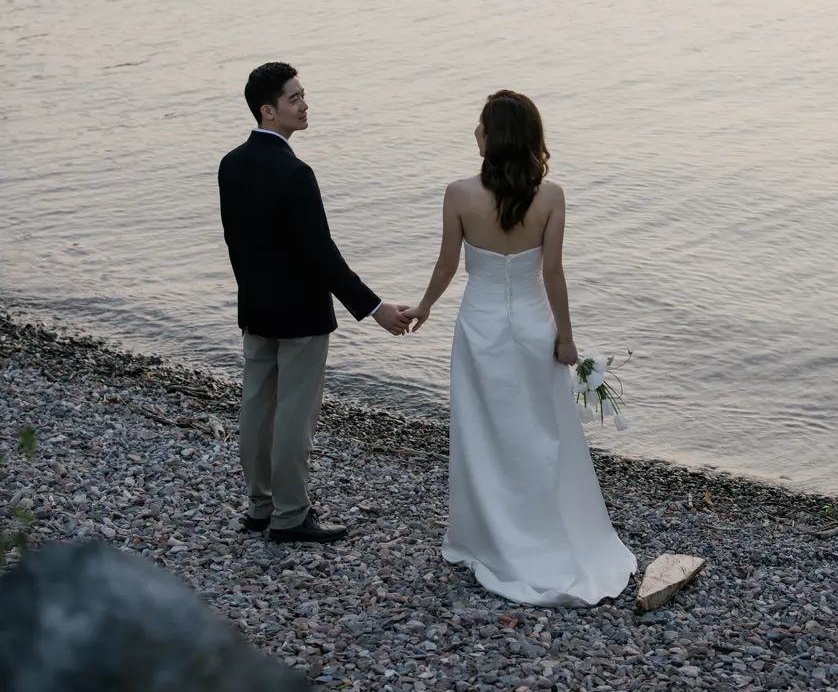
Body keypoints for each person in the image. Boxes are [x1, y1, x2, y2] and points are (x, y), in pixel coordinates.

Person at [403, 90, 636, 605]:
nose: (474, 132)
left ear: (494, 135)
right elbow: (552, 273)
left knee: (483, 432)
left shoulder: (458, 193)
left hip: (480, 329)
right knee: (541, 431)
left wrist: (422, 308)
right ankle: (549, 531)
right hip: (534, 327)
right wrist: (567, 339)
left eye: (480, 124)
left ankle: (487, 537)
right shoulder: (550, 196)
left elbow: (446, 266)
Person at [219, 62, 410, 544]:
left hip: (256, 309)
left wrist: (252, 296)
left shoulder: (231, 164)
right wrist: (375, 308)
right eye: (294, 99)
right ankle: (289, 516)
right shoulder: (295, 173)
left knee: (257, 409)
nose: (305, 105)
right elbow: (321, 255)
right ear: (268, 110)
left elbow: (236, 244)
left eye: (304, 95)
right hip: (301, 314)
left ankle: (260, 507)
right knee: (293, 419)